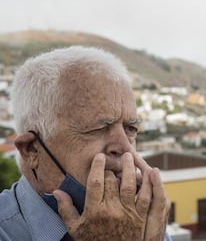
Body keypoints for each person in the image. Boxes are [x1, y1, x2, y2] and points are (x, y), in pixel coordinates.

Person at [0, 46, 171, 240]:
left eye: (131, 129)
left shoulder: (144, 222)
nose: (126, 150)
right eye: (97, 129)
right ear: (32, 150)